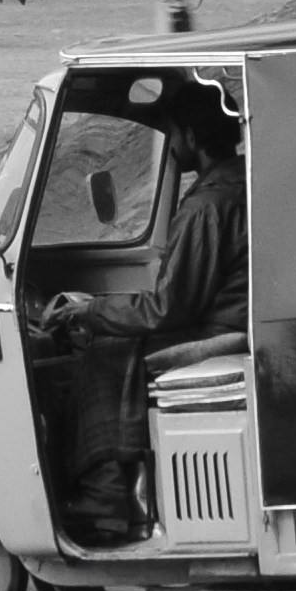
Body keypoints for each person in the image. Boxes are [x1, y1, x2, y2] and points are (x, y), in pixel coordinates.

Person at [36, 81, 244, 546]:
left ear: (191, 136)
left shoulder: (209, 205)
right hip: (223, 320)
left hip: (219, 330)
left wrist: (91, 311)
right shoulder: (237, 184)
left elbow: (166, 308)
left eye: (172, 133)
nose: (170, 144)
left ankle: (106, 498)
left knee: (107, 351)